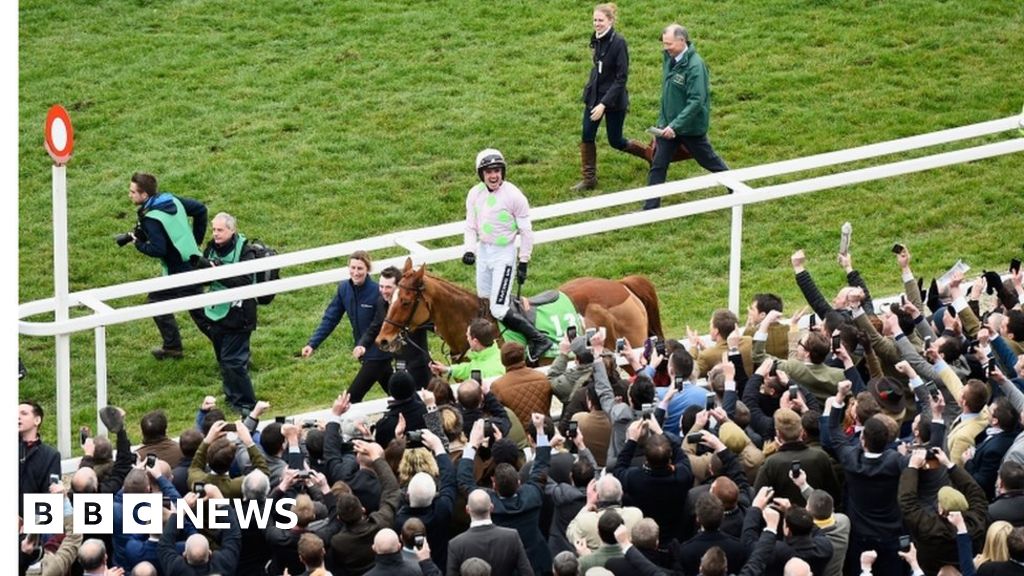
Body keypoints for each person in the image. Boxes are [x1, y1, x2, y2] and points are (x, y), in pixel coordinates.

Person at [462, 149, 552, 363]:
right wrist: (469, 250)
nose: (494, 176)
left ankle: (539, 339)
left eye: (497, 170)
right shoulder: (475, 194)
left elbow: (526, 232)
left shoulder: (514, 195)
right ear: (481, 174)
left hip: (504, 254)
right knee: (483, 300)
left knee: (498, 307)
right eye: (489, 171)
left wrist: (524, 260)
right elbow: (470, 226)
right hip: (484, 251)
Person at [642, 24, 730, 210]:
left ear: (682, 41)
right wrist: (664, 123)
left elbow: (696, 101)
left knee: (708, 161)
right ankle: (650, 208)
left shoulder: (696, 66)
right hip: (667, 126)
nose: (666, 48)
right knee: (658, 164)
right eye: (664, 43)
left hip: (689, 128)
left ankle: (736, 187)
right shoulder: (670, 57)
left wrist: (675, 126)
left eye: (669, 44)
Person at [125, 172, 208, 359]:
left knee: (161, 303)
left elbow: (158, 249)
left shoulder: (151, 218)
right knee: (196, 312)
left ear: (144, 195)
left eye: (132, 192)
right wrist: (195, 242)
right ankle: (172, 347)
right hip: (192, 262)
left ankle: (233, 352)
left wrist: (137, 244)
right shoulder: (170, 200)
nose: (129, 195)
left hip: (179, 270)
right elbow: (201, 210)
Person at [572, 3, 650, 191]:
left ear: (611, 21)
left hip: (613, 100)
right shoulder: (597, 39)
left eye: (600, 20)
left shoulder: (618, 43)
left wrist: (603, 104)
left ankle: (650, 155)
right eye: (595, 20)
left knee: (616, 141)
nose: (597, 24)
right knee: (587, 135)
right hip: (594, 95)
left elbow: (621, 78)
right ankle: (589, 179)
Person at [188, 212, 258, 414]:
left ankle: (247, 403)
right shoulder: (211, 247)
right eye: (213, 229)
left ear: (232, 230)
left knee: (233, 362)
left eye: (220, 230)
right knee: (223, 360)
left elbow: (244, 282)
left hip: (240, 314)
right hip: (216, 312)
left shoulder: (246, 250)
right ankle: (232, 398)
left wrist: (217, 269)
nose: (215, 234)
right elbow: (207, 280)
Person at [302, 250, 393, 403]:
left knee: (350, 400)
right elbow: (331, 318)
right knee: (401, 395)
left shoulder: (378, 292)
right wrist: (312, 344)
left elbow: (377, 325)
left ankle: (340, 423)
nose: (355, 272)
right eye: (353, 268)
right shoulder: (344, 289)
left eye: (360, 268)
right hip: (366, 354)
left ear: (368, 270)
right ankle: (426, 419)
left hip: (378, 354)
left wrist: (363, 345)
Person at [359, 266, 433, 389]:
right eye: (381, 286)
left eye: (388, 287)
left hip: (419, 365)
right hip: (399, 363)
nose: (383, 291)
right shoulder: (381, 303)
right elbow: (375, 326)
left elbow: (428, 321)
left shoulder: (409, 305)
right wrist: (362, 345)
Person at [18, 400, 61, 517]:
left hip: (32, 526)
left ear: (37, 420)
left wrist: (31, 526)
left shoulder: (51, 455)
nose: (17, 417)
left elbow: (50, 495)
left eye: (24, 413)